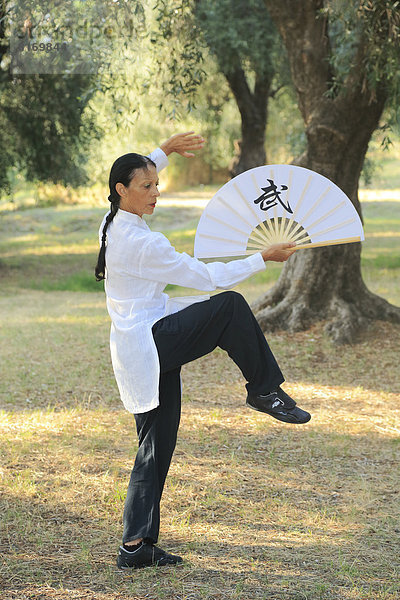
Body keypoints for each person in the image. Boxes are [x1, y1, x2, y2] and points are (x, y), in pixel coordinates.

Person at [95, 132, 311, 570]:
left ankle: (134, 547)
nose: (156, 193)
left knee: (155, 446)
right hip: (153, 341)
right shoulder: (142, 243)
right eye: (146, 186)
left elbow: (137, 175)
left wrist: (163, 153)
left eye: (157, 184)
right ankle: (264, 390)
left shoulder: (111, 221)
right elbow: (205, 277)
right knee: (228, 305)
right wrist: (262, 259)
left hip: (141, 346)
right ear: (122, 190)